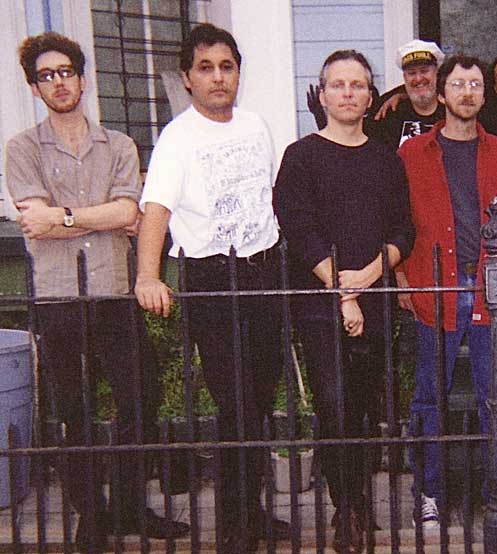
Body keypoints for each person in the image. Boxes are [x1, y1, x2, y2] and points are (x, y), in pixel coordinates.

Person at [5, 32, 189, 553]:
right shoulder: (21, 148)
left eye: (66, 71)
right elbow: (32, 221)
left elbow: (128, 212)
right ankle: (93, 513)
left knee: (141, 397)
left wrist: (63, 215)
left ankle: (132, 505)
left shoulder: (121, 146)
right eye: (46, 75)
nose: (59, 82)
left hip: (113, 291)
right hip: (60, 296)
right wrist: (98, 218)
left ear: (83, 79)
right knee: (73, 408)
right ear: (35, 88)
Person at [134, 23, 289, 553]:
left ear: (238, 73)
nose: (218, 77)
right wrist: (148, 275)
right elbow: (155, 211)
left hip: (264, 270)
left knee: (261, 399)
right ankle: (234, 528)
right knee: (234, 403)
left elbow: (267, 194)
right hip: (210, 277)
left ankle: (254, 511)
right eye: (206, 68)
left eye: (226, 66)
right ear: (188, 78)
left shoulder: (255, 125)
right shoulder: (177, 138)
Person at [273, 49, 415, 554]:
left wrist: (368, 278)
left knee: (363, 412)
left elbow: (404, 230)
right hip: (318, 302)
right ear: (322, 93)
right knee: (333, 409)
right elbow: (299, 226)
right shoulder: (301, 156)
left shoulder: (385, 159)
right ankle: (346, 509)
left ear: (370, 96)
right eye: (338, 84)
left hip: (373, 298)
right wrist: (341, 290)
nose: (348, 93)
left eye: (358, 85)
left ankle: (359, 503)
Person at [396, 54, 497, 529]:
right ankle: (429, 491)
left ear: (484, 94)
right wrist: (400, 279)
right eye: (458, 84)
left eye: (475, 84)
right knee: (429, 396)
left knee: (494, 397)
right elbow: (397, 221)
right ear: (441, 94)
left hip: (491, 288)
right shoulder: (413, 153)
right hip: (435, 285)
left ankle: (495, 489)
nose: (468, 92)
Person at [367, 39, 445, 149]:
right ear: (404, 77)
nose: (418, 79)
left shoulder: (451, 111)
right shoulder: (388, 114)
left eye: (424, 71)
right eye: (411, 73)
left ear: (436, 73)